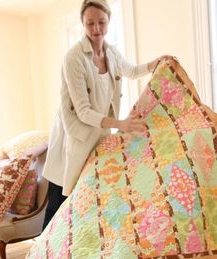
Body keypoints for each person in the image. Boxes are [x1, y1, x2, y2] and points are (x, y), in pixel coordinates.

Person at [42, 0, 172, 229]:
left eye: (101, 22)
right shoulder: (73, 58)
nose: (96, 29)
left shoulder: (111, 52)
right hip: (75, 136)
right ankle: (39, 258)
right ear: (82, 23)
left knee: (88, 199)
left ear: (108, 21)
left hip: (99, 132)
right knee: (60, 204)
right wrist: (120, 124)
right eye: (90, 23)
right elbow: (82, 111)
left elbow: (131, 70)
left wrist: (157, 63)